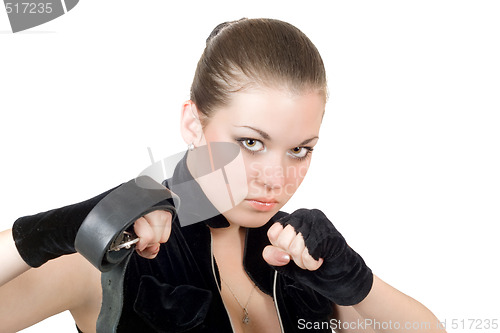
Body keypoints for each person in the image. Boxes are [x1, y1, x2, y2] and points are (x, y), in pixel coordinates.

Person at [0, 18, 445, 333]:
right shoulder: (121, 249)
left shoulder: (293, 254)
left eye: (299, 150)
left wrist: (356, 282)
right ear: (194, 124)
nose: (276, 179)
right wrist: (52, 231)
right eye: (252, 142)